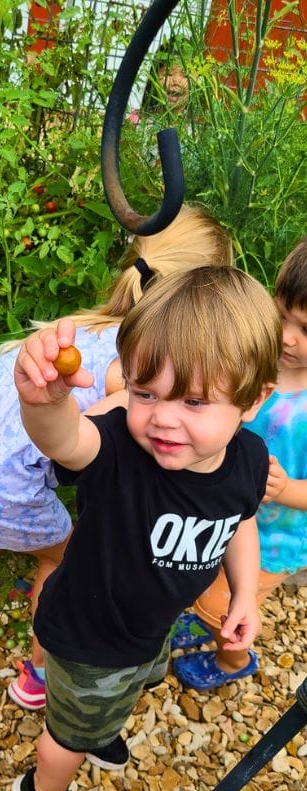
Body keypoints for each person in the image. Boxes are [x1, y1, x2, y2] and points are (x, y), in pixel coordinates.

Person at [0, 204, 233, 711]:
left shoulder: (84, 323)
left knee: (1, 495)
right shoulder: (134, 365)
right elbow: (97, 444)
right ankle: (38, 672)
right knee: (64, 557)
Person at [10, 265, 281, 791]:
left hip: (149, 628)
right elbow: (65, 441)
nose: (162, 418)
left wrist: (245, 595)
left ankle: (102, 725)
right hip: (90, 637)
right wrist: (45, 403)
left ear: (254, 399)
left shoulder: (247, 459)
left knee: (132, 688)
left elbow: (241, 520)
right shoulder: (120, 450)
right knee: (69, 737)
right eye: (145, 392)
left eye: (192, 401)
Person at [171, 236, 307, 689]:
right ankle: (208, 617)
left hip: (272, 537)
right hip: (221, 508)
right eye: (282, 315)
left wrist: (285, 490)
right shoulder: (257, 355)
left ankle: (233, 661)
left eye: (306, 330)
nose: (287, 337)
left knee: (226, 605)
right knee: (203, 583)